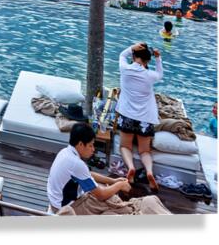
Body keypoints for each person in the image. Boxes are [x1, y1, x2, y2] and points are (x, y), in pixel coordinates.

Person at [47, 123, 131, 213]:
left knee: (104, 189)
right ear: (80, 144)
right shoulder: (76, 164)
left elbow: (87, 174)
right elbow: (101, 195)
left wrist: (113, 181)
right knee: (114, 205)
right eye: (91, 145)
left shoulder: (65, 152)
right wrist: (120, 185)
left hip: (56, 201)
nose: (93, 149)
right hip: (65, 208)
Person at [116, 42, 163, 189]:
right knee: (144, 151)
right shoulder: (149, 75)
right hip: (145, 118)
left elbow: (122, 55)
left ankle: (130, 167)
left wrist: (132, 47)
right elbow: (160, 74)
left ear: (134, 56)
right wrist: (158, 58)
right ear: (147, 60)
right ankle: (149, 171)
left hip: (127, 116)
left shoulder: (125, 69)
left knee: (125, 146)